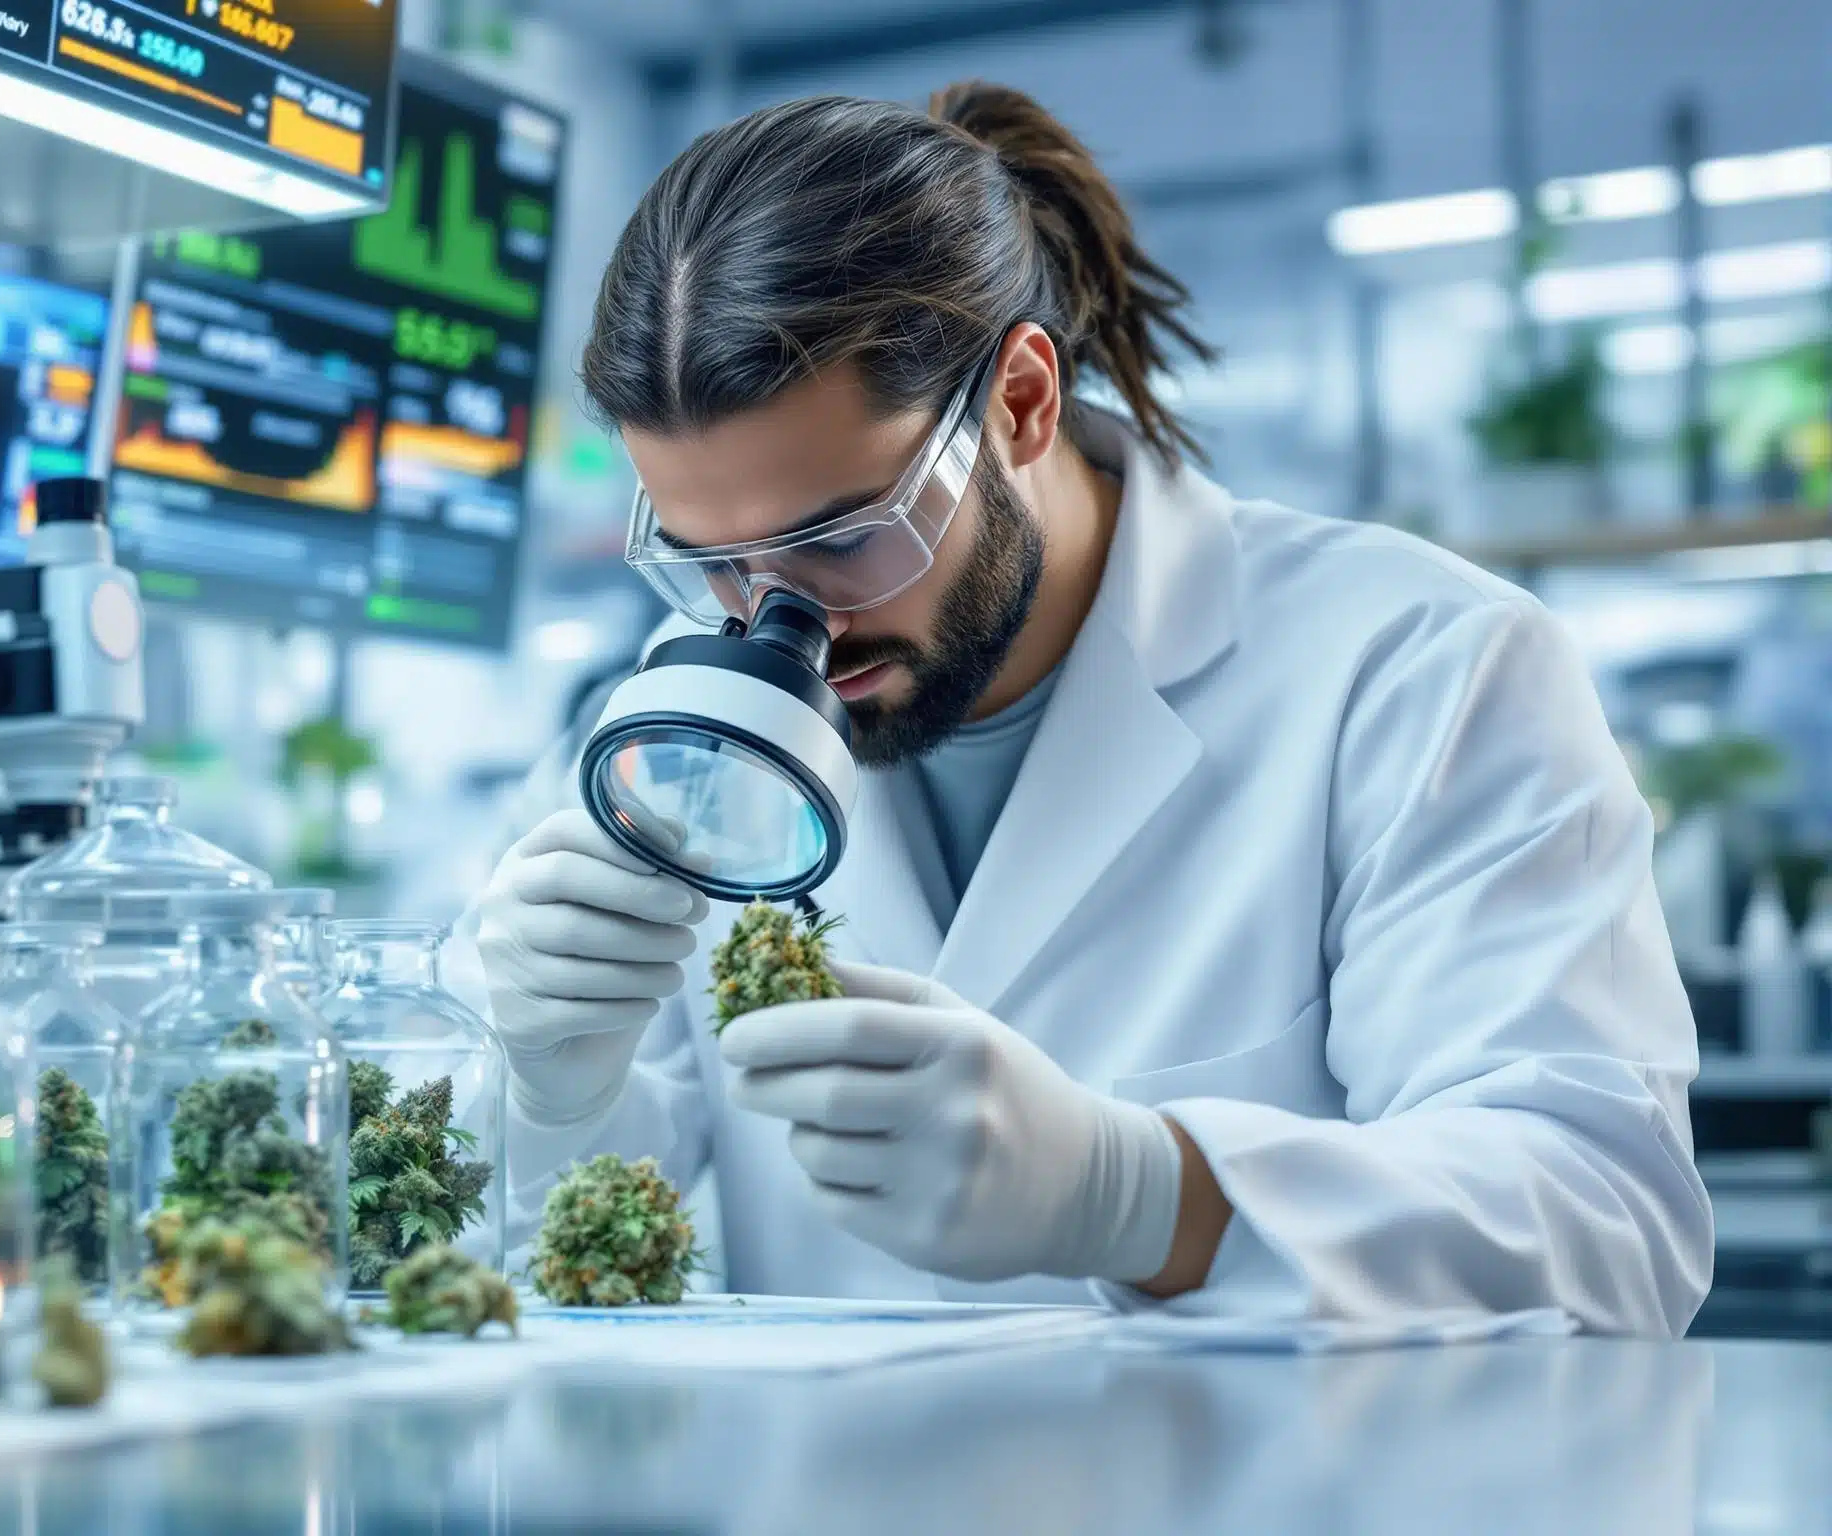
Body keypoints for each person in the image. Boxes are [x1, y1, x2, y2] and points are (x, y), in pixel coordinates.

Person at [453, 84, 1711, 1330]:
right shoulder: (670, 725)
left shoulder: (1416, 666)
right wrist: (547, 1091)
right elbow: (488, 1278)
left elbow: (1606, 1223)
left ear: (1019, 402)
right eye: (703, 557)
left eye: (841, 537)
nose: (781, 622)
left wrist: (1144, 1195)